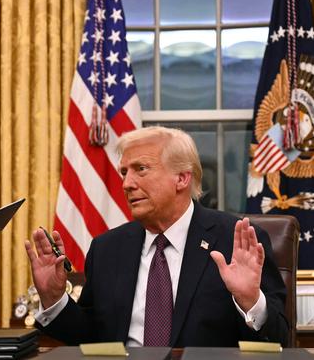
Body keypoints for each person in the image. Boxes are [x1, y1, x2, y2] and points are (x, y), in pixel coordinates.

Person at [25, 126, 289, 347]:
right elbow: (90, 338)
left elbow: (278, 341)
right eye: (124, 172)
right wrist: (53, 298)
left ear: (182, 179)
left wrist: (250, 302)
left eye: (141, 169)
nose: (127, 184)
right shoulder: (107, 249)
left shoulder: (236, 242)